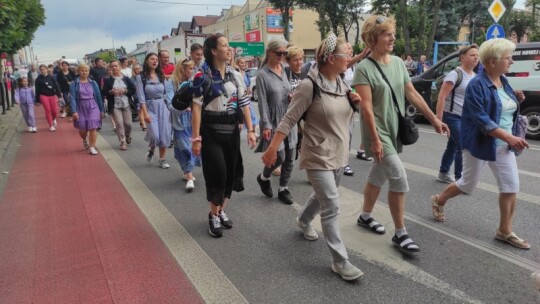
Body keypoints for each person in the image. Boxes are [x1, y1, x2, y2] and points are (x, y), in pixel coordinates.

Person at [262, 34, 364, 281]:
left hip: (339, 152)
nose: (349, 59)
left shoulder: (341, 84)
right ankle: (340, 261)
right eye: (345, 55)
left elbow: (343, 115)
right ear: (330, 59)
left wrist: (355, 102)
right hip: (317, 153)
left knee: (322, 197)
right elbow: (289, 118)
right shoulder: (310, 86)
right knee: (331, 204)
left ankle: (303, 219)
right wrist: (272, 148)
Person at [352, 15, 449, 253]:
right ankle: (400, 233)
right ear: (373, 39)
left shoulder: (396, 62)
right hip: (378, 130)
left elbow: (412, 93)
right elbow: (365, 107)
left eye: (392, 33)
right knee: (398, 176)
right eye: (387, 34)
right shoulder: (363, 69)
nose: (393, 37)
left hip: (394, 128)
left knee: (378, 175)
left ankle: (365, 216)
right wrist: (373, 140)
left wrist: (434, 119)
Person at [430, 38, 530, 250]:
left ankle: (504, 230)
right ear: (492, 62)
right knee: (467, 184)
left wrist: (516, 100)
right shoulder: (477, 85)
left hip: (503, 144)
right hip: (481, 142)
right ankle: (439, 200)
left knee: (511, 186)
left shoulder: (504, 80)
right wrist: (510, 137)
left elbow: (501, 107)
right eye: (507, 58)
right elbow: (482, 119)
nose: (511, 61)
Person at [191, 34, 256, 238]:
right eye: (225, 45)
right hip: (210, 131)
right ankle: (213, 215)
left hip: (231, 131)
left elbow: (244, 103)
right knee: (217, 173)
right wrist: (196, 138)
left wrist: (251, 130)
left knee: (231, 173)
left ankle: (221, 210)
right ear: (213, 51)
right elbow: (196, 108)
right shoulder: (201, 75)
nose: (230, 49)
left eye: (229, 46)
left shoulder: (235, 75)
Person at [255, 38, 297, 205]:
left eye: (284, 53)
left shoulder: (284, 70)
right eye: (279, 53)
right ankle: (264, 177)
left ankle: (283, 188)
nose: (282, 56)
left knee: (290, 155)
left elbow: (286, 90)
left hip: (289, 117)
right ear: (270, 53)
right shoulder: (262, 74)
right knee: (278, 156)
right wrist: (266, 124)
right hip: (273, 120)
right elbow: (262, 101)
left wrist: (291, 96)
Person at [435, 44, 479, 183]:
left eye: (477, 55)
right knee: (462, 146)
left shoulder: (475, 76)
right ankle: (461, 179)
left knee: (453, 146)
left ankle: (443, 173)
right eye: (472, 55)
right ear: (462, 58)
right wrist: (439, 120)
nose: (476, 58)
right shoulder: (455, 74)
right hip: (452, 116)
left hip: (467, 118)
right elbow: (441, 97)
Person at [166, 58, 201, 191]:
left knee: (193, 146)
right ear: (182, 69)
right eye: (190, 68)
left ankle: (188, 173)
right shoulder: (171, 82)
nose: (192, 71)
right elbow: (170, 103)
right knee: (185, 148)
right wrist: (183, 107)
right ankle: (190, 176)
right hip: (179, 121)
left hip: (193, 120)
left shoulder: (192, 82)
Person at [136, 52, 172, 169]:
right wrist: (145, 114)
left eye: (156, 59)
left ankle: (162, 159)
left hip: (163, 107)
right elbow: (141, 97)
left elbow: (166, 94)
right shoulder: (141, 77)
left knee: (164, 135)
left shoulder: (161, 76)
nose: (155, 61)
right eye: (152, 59)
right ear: (147, 61)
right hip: (150, 107)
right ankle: (151, 149)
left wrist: (170, 108)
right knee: (155, 135)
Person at [70, 64, 105, 155]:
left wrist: (101, 110)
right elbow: (73, 98)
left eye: (86, 70)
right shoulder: (74, 83)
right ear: (78, 71)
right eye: (82, 70)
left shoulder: (93, 83)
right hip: (80, 106)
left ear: (89, 72)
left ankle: (92, 147)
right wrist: (74, 111)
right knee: (82, 129)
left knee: (93, 127)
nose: (84, 72)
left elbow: (98, 96)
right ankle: (84, 139)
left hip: (93, 106)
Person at [103, 60, 137, 151]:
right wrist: (111, 92)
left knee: (128, 124)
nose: (114, 68)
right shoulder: (108, 80)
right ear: (110, 68)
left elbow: (133, 89)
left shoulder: (126, 78)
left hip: (126, 104)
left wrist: (125, 91)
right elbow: (104, 92)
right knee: (119, 123)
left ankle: (128, 134)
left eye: (116, 66)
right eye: (112, 66)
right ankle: (122, 141)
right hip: (115, 105)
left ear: (120, 67)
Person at [35, 64, 62, 131]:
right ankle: (51, 125)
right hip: (43, 95)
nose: (42, 71)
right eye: (41, 70)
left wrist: (59, 95)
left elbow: (56, 86)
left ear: (47, 69)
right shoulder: (38, 79)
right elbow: (37, 90)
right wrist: (37, 100)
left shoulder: (51, 77)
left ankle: (54, 118)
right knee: (48, 110)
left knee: (54, 111)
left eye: (44, 69)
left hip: (52, 95)